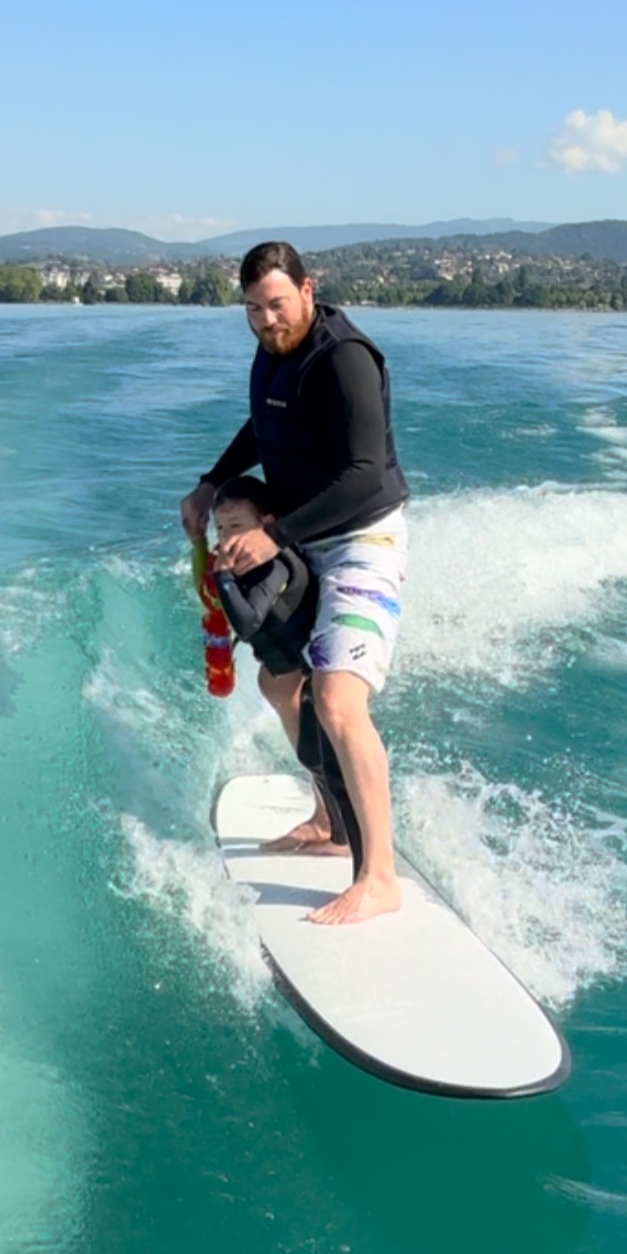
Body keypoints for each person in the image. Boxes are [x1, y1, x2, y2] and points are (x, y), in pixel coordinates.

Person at [181, 241, 409, 923]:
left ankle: (381, 876)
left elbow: (366, 474)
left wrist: (273, 535)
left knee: (338, 701)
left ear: (310, 289)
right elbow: (265, 423)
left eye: (277, 304)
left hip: (363, 537)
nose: (266, 320)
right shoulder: (272, 351)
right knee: (281, 682)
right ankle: (332, 821)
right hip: (305, 534)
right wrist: (211, 481)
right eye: (252, 308)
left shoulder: (343, 357)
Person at [209, 475, 364, 871]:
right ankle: (327, 823)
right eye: (221, 528)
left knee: (319, 757)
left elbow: (247, 622)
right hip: (288, 670)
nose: (227, 539)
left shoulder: (274, 565)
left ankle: (343, 839)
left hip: (313, 672)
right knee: (312, 757)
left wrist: (223, 578)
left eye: (237, 527)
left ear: (267, 524)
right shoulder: (250, 566)